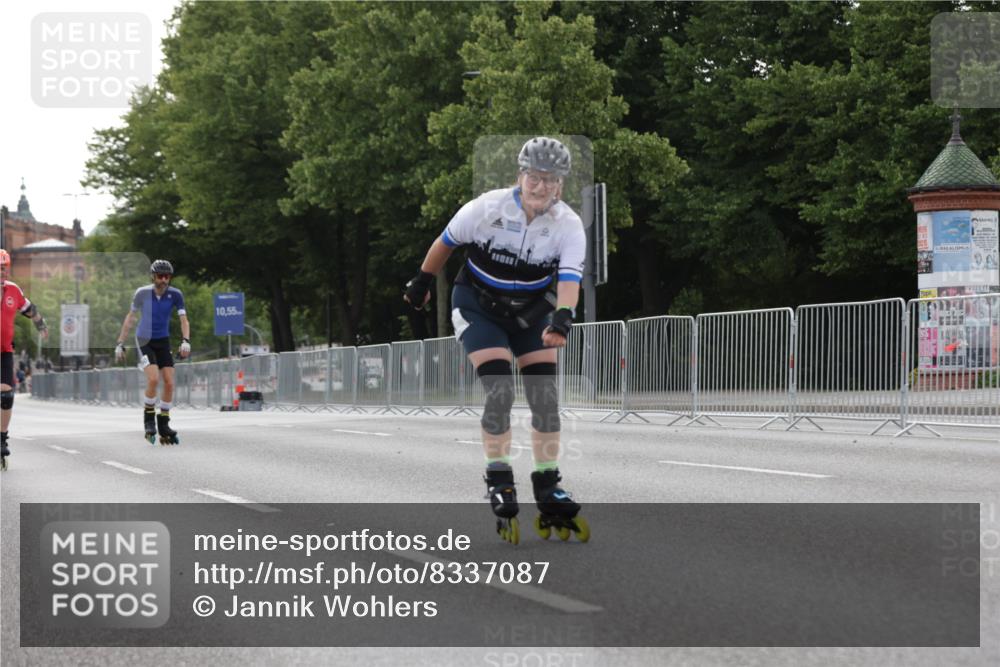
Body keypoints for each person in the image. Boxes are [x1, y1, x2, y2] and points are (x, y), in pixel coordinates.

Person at [405, 136, 589, 543]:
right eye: (535, 178)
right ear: (520, 176)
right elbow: (445, 243)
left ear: (561, 185)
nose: (541, 188)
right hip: (478, 305)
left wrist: (562, 316)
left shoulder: (568, 224)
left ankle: (547, 483)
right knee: (500, 387)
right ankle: (499, 476)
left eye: (551, 180)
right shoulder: (487, 208)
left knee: (544, 395)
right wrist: (421, 281)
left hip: (530, 311)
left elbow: (570, 278)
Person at [115, 259, 190, 445]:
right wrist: (120, 343)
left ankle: (164, 424)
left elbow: (183, 320)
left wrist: (186, 340)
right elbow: (130, 318)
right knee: (154, 379)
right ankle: (149, 421)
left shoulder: (175, 295)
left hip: (163, 340)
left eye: (167, 277)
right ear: (153, 276)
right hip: (144, 340)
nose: (164, 280)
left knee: (170, 382)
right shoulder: (142, 293)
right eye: (160, 276)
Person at [0, 249, 49, 469]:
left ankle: (2, 439)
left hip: (5, 351)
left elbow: (30, 309)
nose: (1, 273)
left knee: (7, 396)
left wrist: (41, 324)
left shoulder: (13, 290)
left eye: (3, 269)